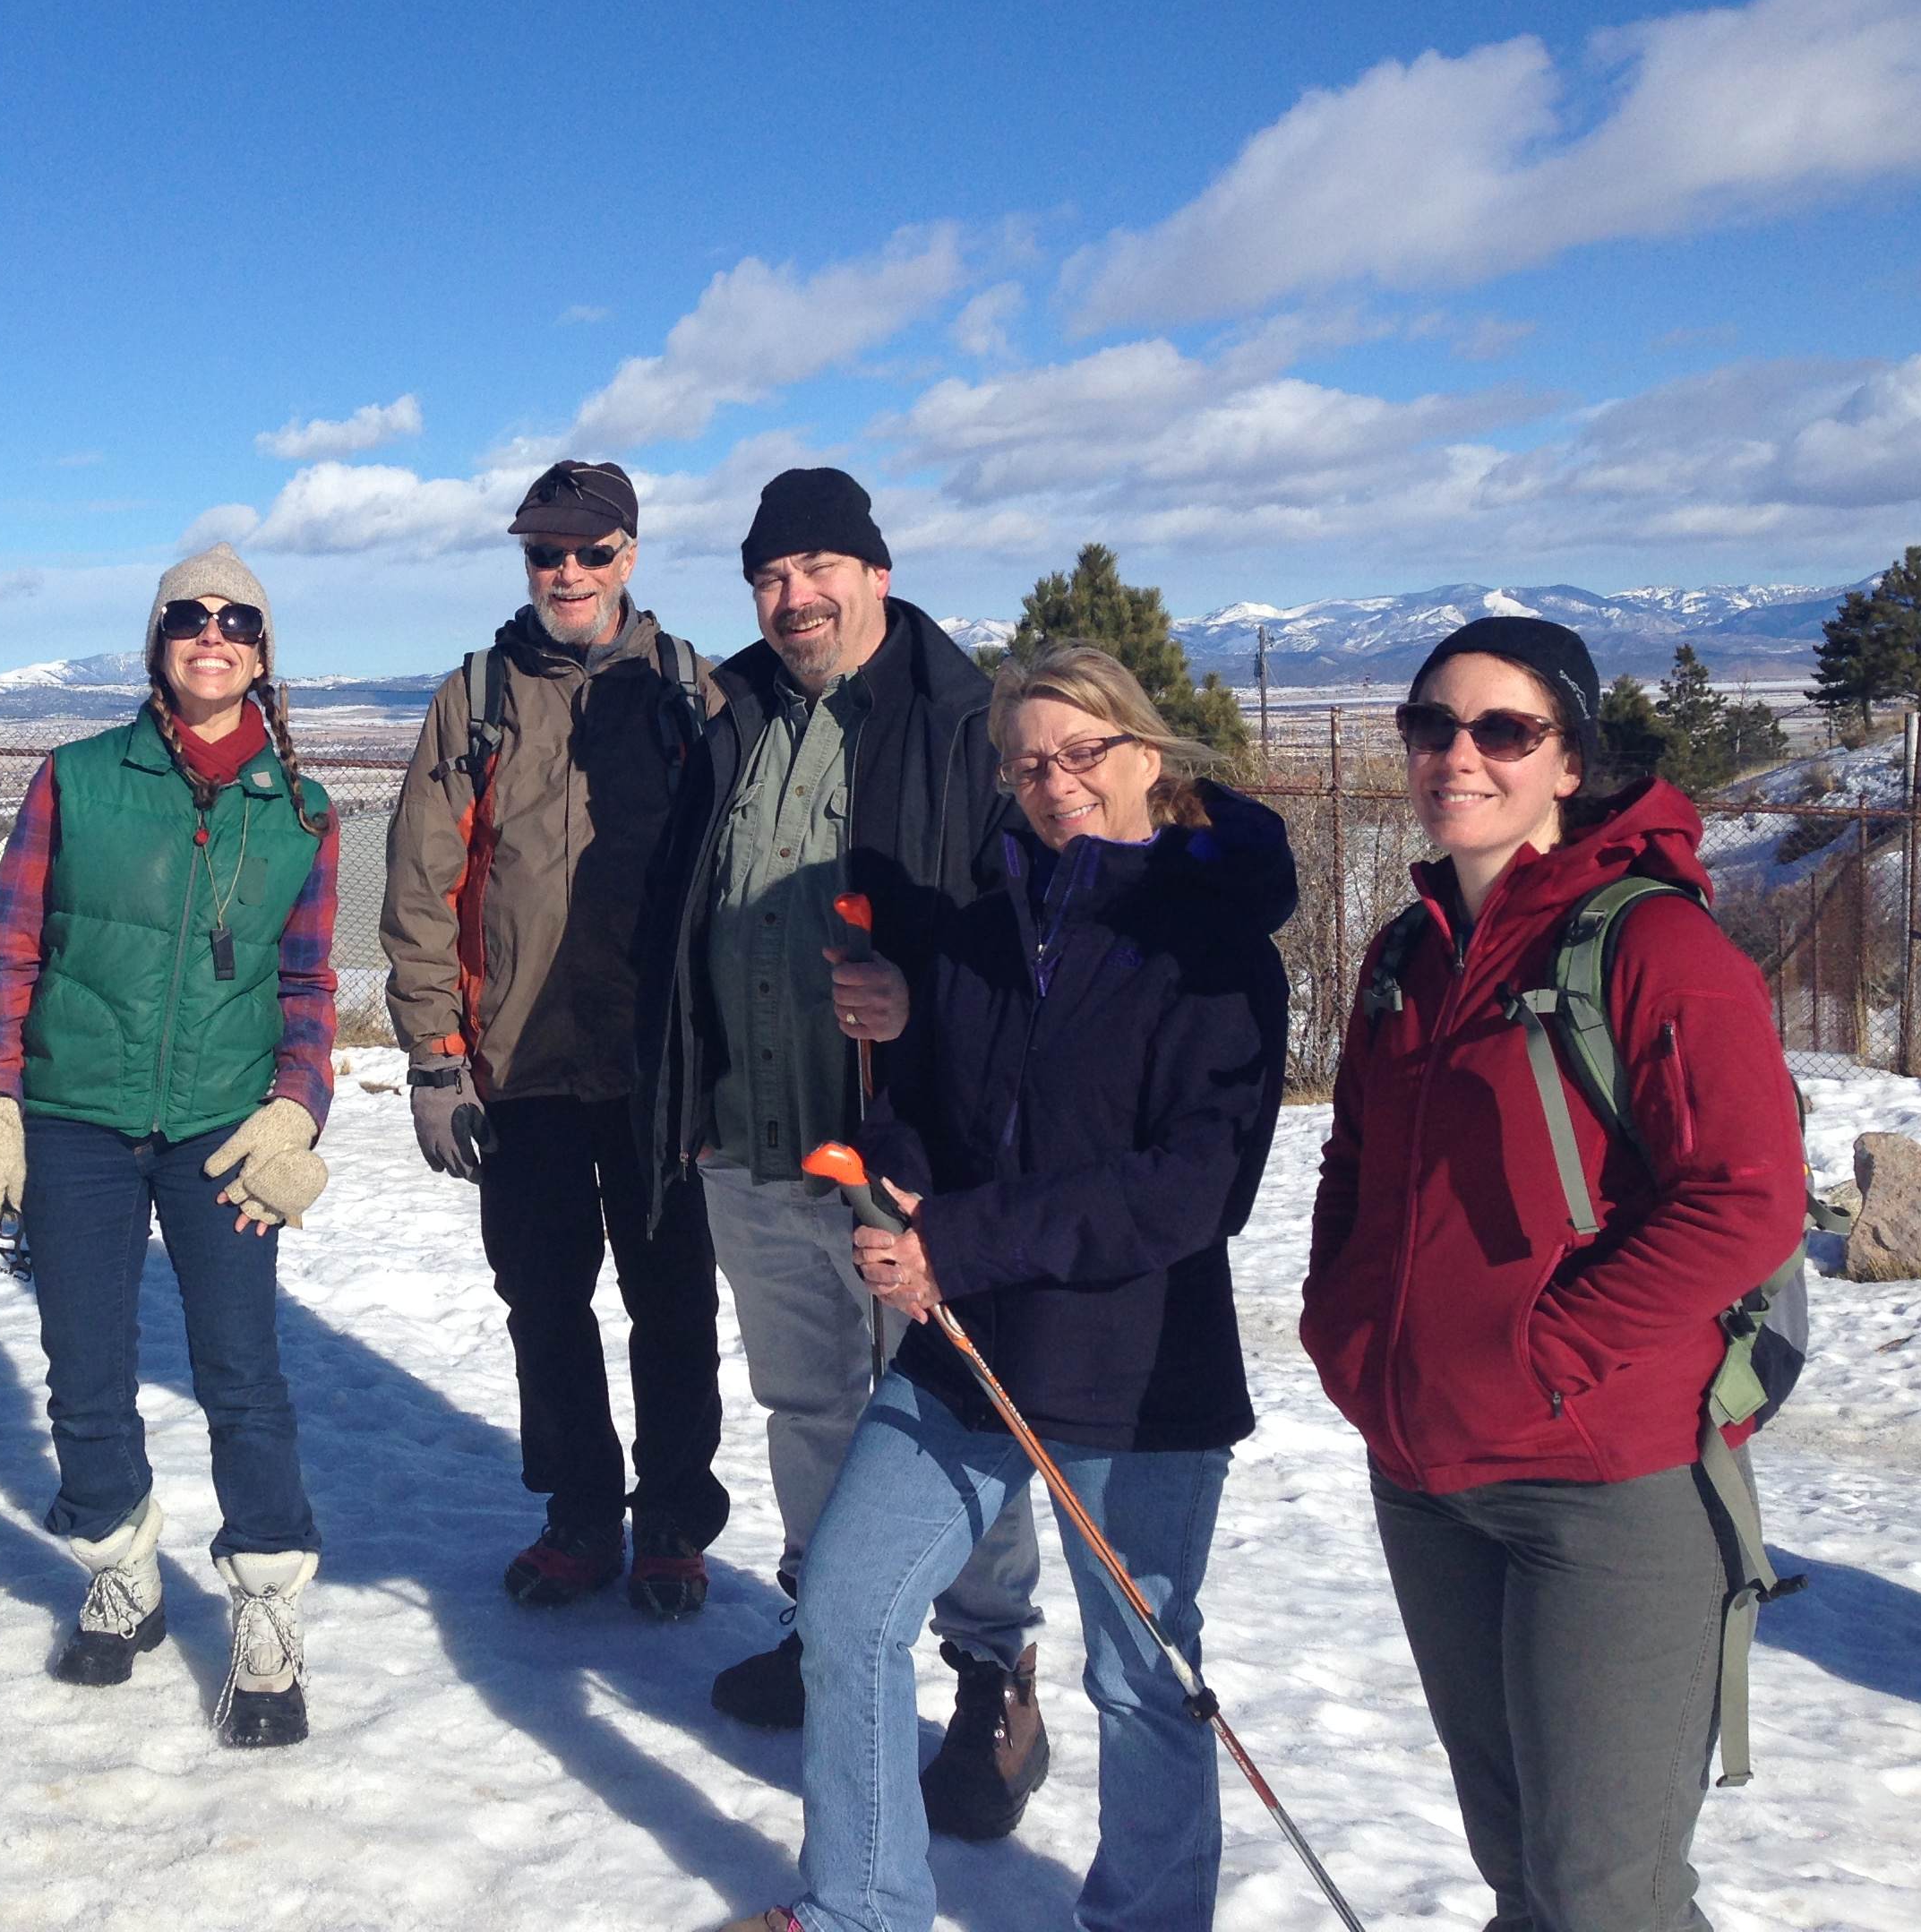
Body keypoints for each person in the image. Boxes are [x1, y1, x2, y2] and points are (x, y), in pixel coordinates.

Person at [726, 641, 1291, 1932]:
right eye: (1029, 761)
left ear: (1146, 752)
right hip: (964, 1349)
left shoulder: (1213, 952)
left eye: (1084, 751)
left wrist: (961, 1241)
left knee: (1144, 1681)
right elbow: (933, 1118)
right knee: (850, 1608)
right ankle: (860, 1904)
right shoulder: (985, 932)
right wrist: (898, 1193)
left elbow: (1194, 1186)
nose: (1057, 782)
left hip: (1135, 1366)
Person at [1300, 617, 1808, 1932]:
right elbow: (1354, 1158)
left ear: (1568, 760)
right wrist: (1344, 1326)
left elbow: (1747, 1205)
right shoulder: (1406, 954)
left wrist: (1548, 1351)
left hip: (1607, 1490)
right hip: (1427, 1478)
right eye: (1431, 728)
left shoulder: (1654, 950)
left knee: (1607, 1895)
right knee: (1526, 1870)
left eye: (1501, 731)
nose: (1455, 757)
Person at [638, 466, 1052, 1839]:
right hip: (752, 1140)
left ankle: (995, 1674)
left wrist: (926, 994)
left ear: (876, 570)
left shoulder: (963, 721)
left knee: (945, 1411)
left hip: (902, 1147)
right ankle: (833, 1639)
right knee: (807, 1401)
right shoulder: (738, 710)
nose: (793, 596)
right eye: (768, 575)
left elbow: (1030, 930)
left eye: (818, 567)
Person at [0, 542, 339, 1749]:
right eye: (188, 619)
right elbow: (11, 949)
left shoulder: (301, 810)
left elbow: (308, 984)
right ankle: (121, 1568)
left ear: (263, 655)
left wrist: (297, 1107)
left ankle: (264, 1607)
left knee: (241, 1373)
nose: (213, 636)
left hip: (223, 1131)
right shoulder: (76, 777)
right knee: (86, 1366)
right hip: (77, 1116)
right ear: (158, 643)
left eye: (237, 621)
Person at [379, 460, 731, 1617]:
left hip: (656, 1068)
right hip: (516, 1066)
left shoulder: (693, 694)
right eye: (546, 552)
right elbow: (422, 893)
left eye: (589, 551)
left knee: (671, 1296)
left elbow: (741, 879)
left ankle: (675, 1513)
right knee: (543, 1296)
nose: (566, 572)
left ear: (630, 555)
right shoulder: (474, 699)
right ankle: (581, 1510)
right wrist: (435, 1057)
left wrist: (734, 1054)